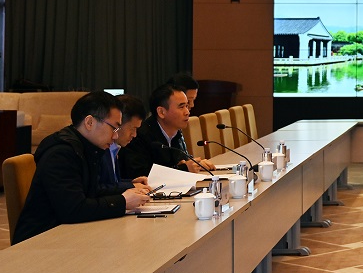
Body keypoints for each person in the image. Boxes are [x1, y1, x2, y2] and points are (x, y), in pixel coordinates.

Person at [12, 91, 150, 244]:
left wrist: (129, 191)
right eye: (114, 128)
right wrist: (122, 201)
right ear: (89, 122)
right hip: (42, 240)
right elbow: (73, 209)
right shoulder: (61, 153)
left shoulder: (87, 148)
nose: (116, 136)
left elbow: (92, 191)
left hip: (66, 234)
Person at [121, 84, 215, 179]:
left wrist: (195, 164)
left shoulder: (176, 133)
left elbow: (180, 162)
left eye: (187, 106)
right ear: (161, 112)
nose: (187, 112)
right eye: (181, 107)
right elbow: (141, 175)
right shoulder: (139, 135)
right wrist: (184, 169)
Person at [99, 95, 151, 192]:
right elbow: (97, 188)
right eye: (132, 128)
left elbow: (112, 182)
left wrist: (132, 183)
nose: (134, 135)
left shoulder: (114, 147)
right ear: (118, 122)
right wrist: (129, 186)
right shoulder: (100, 147)